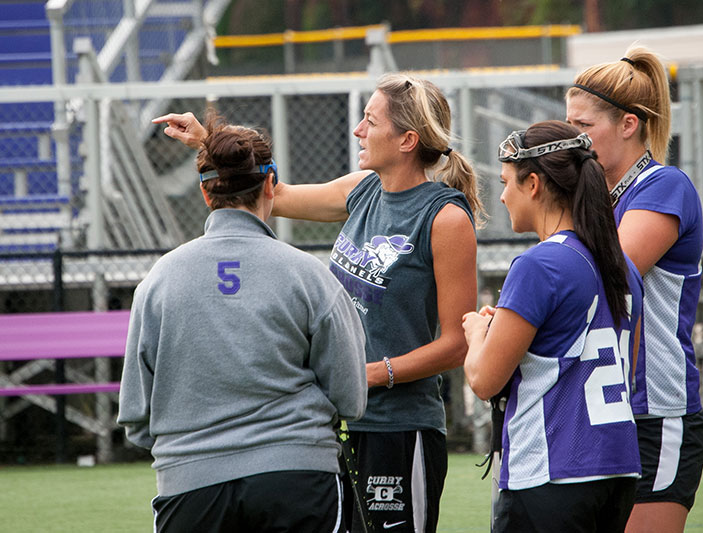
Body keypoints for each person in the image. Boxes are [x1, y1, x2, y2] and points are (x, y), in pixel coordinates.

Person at [152, 72, 482, 533]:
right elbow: (276, 194)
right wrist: (210, 144)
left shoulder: (444, 218)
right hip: (333, 426)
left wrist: (371, 374)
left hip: (398, 428)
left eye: (370, 120)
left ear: (407, 139)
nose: (358, 130)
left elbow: (457, 343)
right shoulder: (363, 188)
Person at [117, 114, 367, 533]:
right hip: (298, 478)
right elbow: (351, 397)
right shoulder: (309, 275)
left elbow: (135, 414)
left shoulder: (159, 280)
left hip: (190, 486)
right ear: (270, 185)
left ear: (204, 191)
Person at [462, 120, 644, 532]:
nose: (503, 195)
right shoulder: (624, 267)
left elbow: (484, 379)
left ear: (534, 184)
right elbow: (624, 371)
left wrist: (477, 335)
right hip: (617, 470)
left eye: (507, 181)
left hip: (553, 471)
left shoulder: (539, 264)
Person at [565, 45, 703, 533]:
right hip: (600, 410)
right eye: (569, 126)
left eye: (584, 127)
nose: (573, 140)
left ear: (628, 124)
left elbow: (606, 275)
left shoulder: (663, 185)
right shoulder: (594, 196)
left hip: (655, 412)